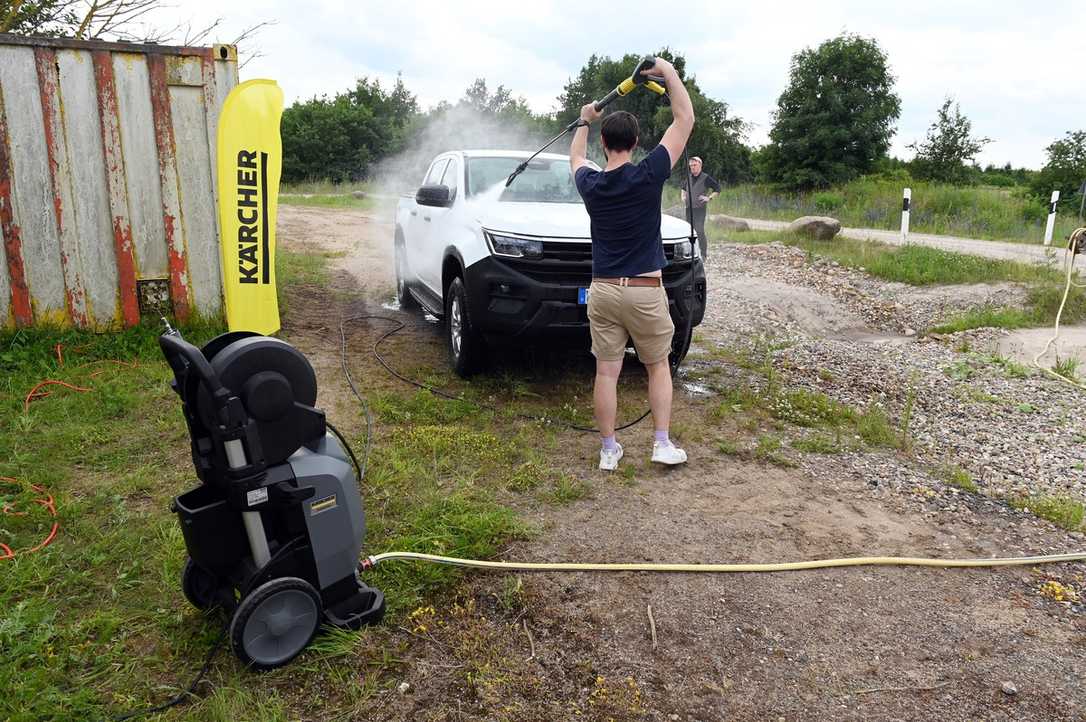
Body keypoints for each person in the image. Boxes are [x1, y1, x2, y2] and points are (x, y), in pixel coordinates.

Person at [569, 57, 695, 471]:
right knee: (657, 366)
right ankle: (661, 443)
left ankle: (609, 450)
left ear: (604, 143)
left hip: (604, 291)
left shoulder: (591, 184)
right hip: (644, 291)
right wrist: (669, 73)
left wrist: (584, 120)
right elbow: (684, 119)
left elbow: (576, 159)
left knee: (606, 373)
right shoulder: (648, 174)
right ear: (637, 142)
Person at [681, 156, 721, 259]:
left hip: (700, 209)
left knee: (699, 230)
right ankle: (692, 252)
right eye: (691, 166)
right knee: (689, 230)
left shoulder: (705, 178)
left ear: (700, 165)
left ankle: (703, 254)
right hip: (689, 208)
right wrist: (683, 196)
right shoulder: (688, 177)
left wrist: (709, 198)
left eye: (694, 165)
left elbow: (717, 188)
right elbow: (683, 188)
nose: (692, 167)